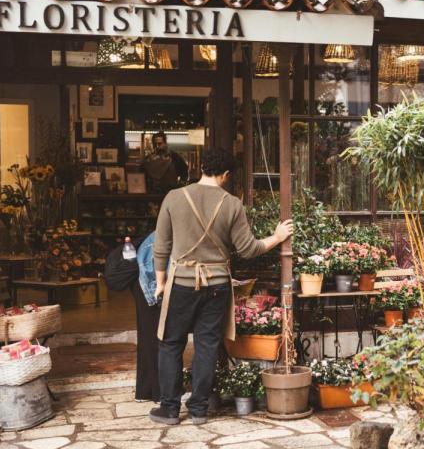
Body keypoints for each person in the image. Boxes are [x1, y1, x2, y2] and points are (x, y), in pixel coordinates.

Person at [151, 147, 292, 425]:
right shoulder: (232, 205)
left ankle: (169, 409)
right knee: (207, 345)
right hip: (216, 285)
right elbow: (249, 249)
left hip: (181, 281)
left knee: (170, 344)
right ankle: (199, 409)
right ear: (226, 175)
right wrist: (277, 237)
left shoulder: (174, 197)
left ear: (201, 168)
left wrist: (161, 282)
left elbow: (161, 246)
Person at [102, 233, 160, 402]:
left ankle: (146, 390)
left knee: (148, 333)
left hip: (143, 275)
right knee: (157, 335)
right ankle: (159, 392)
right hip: (150, 278)